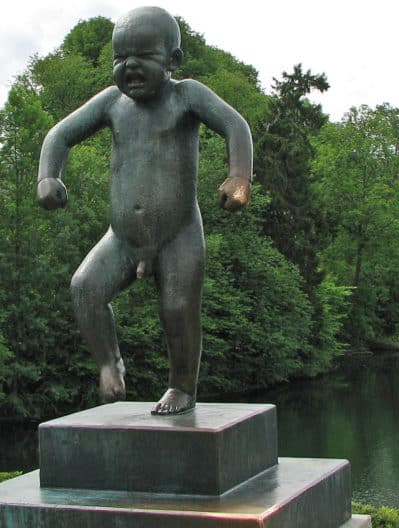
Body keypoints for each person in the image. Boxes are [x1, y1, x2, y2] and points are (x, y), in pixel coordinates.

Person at [36, 6, 253, 415]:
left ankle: (182, 387)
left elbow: (234, 125)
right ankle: (109, 363)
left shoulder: (187, 95)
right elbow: (59, 134)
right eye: (120, 58)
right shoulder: (111, 104)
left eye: (143, 56)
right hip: (123, 238)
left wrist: (239, 176)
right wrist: (48, 177)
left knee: (177, 308)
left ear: (173, 60)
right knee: (85, 289)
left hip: (178, 233)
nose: (129, 66)